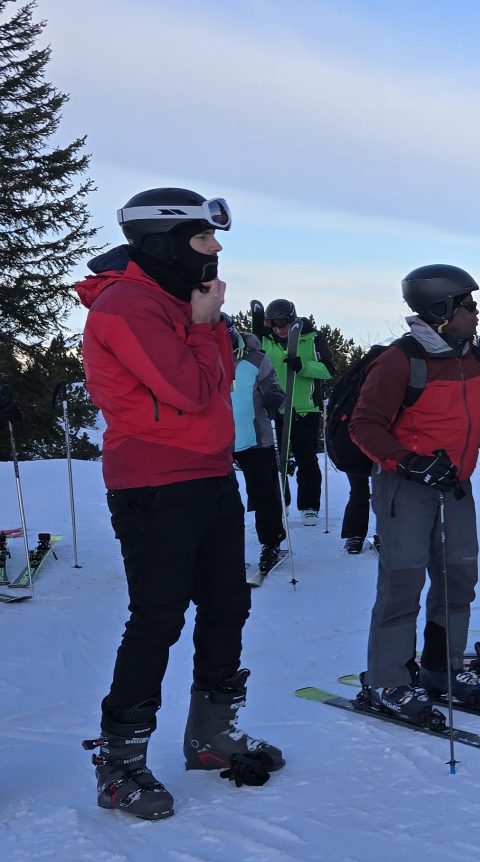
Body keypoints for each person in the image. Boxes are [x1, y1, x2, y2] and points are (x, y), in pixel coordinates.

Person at [78, 188, 284, 821]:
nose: (216, 250)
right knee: (158, 618)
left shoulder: (182, 300)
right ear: (165, 242)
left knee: (228, 603)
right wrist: (202, 327)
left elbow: (216, 385)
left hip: (210, 473)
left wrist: (204, 326)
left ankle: (210, 736)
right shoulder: (126, 307)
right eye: (202, 238)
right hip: (153, 484)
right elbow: (195, 390)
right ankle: (121, 761)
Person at [347, 264, 480, 725]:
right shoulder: (400, 360)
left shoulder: (470, 358)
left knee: (458, 580)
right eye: (469, 306)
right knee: (402, 585)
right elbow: (364, 426)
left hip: (454, 487)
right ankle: (388, 679)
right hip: (408, 488)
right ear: (442, 311)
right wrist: (409, 462)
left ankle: (442, 667)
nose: (477, 313)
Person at [258, 298, 334, 527]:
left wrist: (303, 367)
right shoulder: (266, 341)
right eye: (273, 324)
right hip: (275, 408)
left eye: (282, 323)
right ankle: (282, 502)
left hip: (305, 408)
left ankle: (309, 505)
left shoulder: (312, 338)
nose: (278, 329)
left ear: (292, 320)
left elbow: (328, 370)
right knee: (277, 459)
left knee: (306, 458)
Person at [228, 322, 288, 574]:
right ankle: (223, 551)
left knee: (264, 494)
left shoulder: (256, 360)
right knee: (223, 502)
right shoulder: (202, 357)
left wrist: (275, 397)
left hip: (255, 438)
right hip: (216, 441)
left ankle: (271, 543)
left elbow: (274, 389)